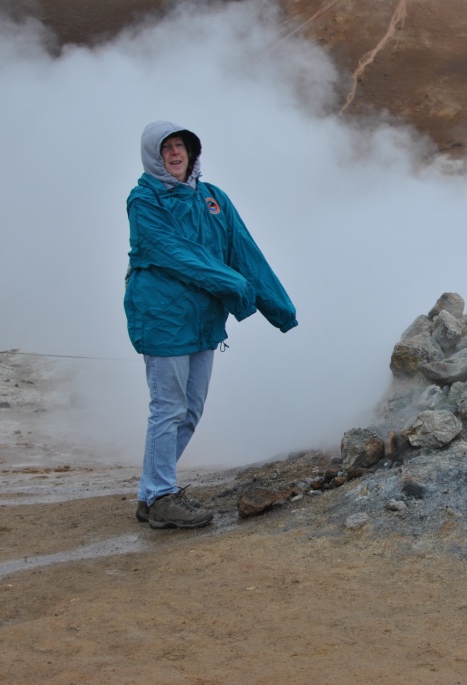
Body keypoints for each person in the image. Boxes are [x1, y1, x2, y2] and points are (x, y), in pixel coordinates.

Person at [124, 121, 298, 529]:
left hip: (203, 320)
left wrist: (279, 308)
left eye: (181, 146)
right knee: (168, 408)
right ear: (154, 155)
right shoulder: (144, 200)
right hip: (163, 317)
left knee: (191, 410)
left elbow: (244, 251)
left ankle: (151, 494)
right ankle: (162, 496)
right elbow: (175, 253)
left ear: (192, 152)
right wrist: (234, 284)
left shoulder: (213, 198)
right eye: (166, 147)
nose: (175, 153)